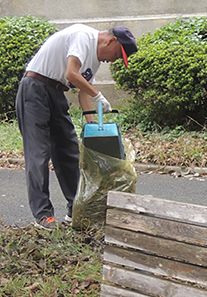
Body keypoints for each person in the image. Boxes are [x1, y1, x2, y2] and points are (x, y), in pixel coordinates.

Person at [15, 24, 138, 229]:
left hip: (56, 93)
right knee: (39, 153)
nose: (112, 60)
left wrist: (95, 130)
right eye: (116, 55)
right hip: (34, 89)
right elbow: (72, 73)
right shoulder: (83, 36)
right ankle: (43, 215)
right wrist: (97, 94)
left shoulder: (95, 60)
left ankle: (76, 208)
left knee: (69, 150)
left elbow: (82, 94)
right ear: (111, 41)